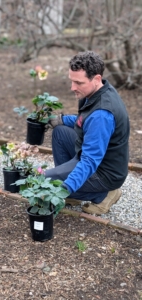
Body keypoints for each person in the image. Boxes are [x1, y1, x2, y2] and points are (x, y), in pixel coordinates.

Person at [45, 51, 130, 215]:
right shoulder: (97, 91)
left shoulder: (101, 115)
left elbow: (90, 161)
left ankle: (104, 194)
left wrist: (64, 189)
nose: (72, 88)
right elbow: (85, 119)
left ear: (96, 78)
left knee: (47, 182)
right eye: (71, 81)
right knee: (60, 132)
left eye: (78, 82)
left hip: (104, 173)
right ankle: (75, 193)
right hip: (99, 158)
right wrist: (61, 120)